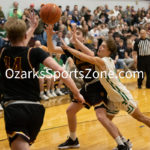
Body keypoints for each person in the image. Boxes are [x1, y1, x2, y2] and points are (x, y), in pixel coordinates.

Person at [0, 14, 84, 150]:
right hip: (35, 110)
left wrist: (32, 27)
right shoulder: (35, 52)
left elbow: (18, 45)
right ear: (26, 36)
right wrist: (77, 93)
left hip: (15, 109)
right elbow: (61, 71)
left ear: (7, 37)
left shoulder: (3, 52)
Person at [61, 28, 150, 149]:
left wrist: (68, 48)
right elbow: (87, 52)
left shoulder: (102, 61)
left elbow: (85, 56)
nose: (100, 48)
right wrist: (76, 42)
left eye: (103, 47)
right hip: (112, 98)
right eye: (100, 45)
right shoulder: (102, 59)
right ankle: (124, 143)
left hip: (121, 96)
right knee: (107, 120)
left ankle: (123, 143)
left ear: (108, 51)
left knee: (141, 117)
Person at [46, 25, 130, 150]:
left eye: (79, 33)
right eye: (74, 33)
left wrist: (73, 44)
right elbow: (51, 48)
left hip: (98, 85)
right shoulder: (69, 50)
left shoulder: (91, 50)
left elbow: (88, 55)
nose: (75, 35)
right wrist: (49, 35)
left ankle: (122, 144)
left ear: (83, 39)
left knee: (101, 116)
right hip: (87, 86)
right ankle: (73, 139)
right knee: (70, 111)